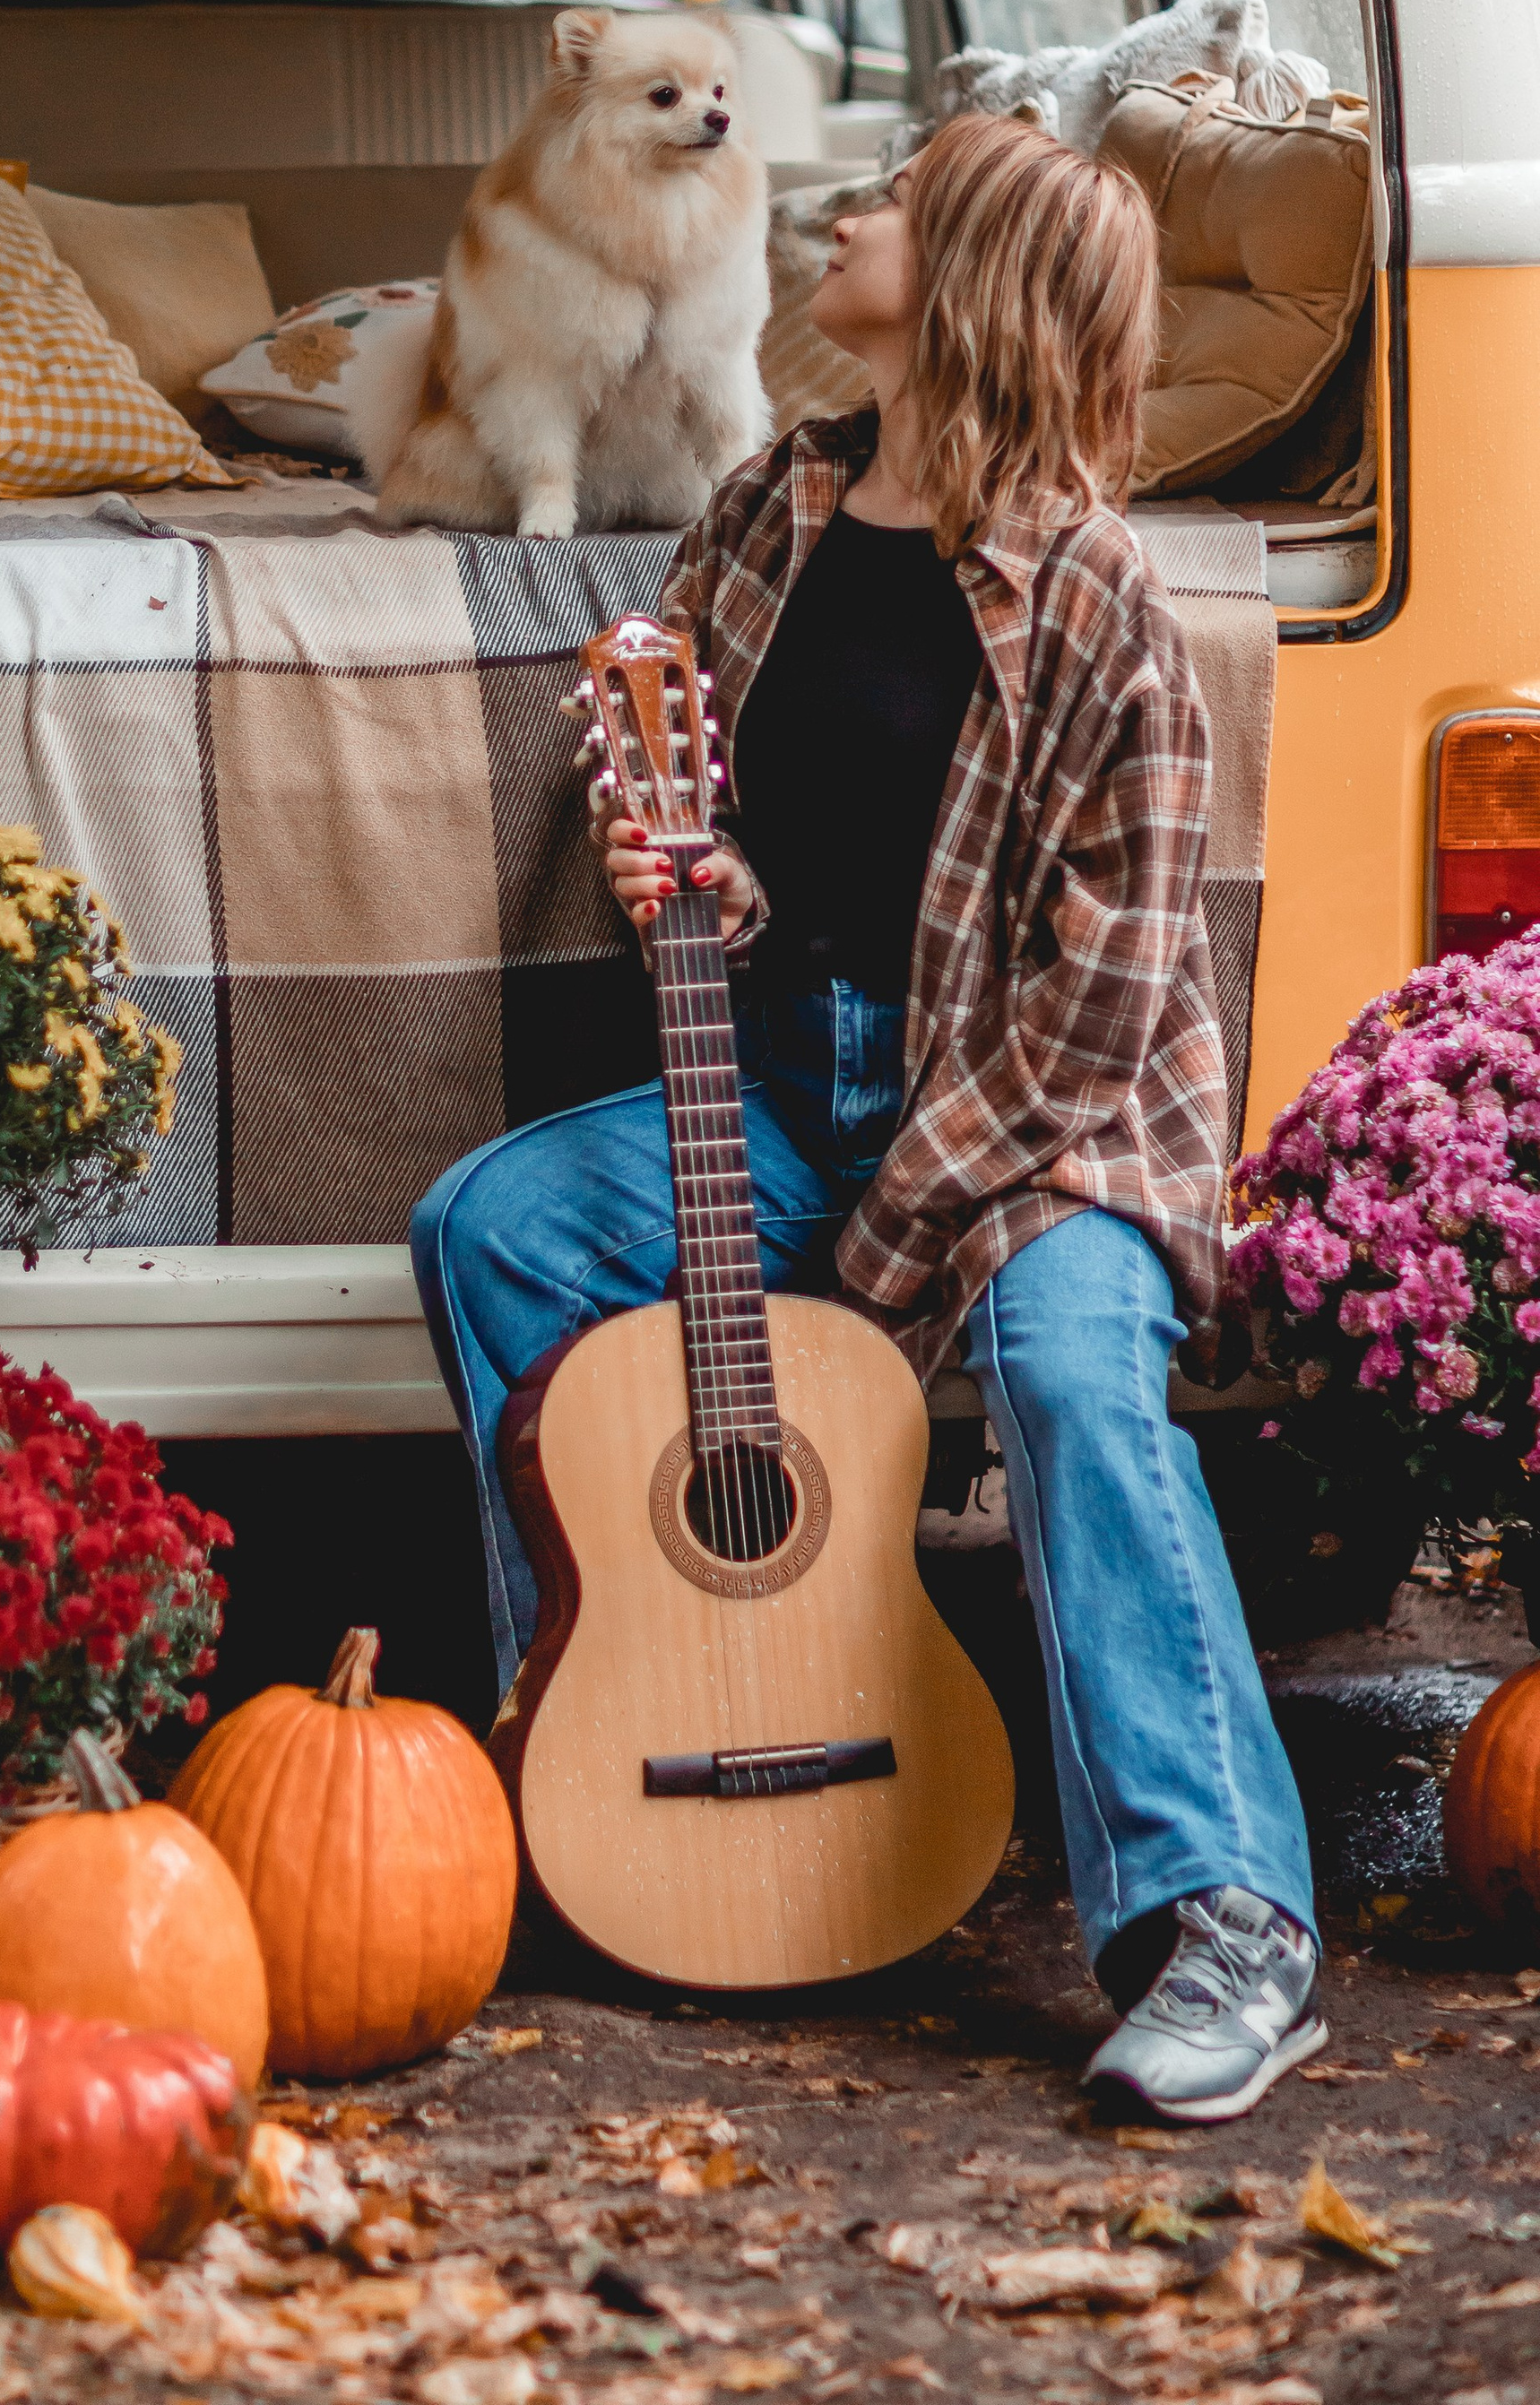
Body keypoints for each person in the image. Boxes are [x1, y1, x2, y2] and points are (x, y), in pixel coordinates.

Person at [411, 110, 1322, 2127]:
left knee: (1070, 1372)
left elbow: (1100, 1006)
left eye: (890, 201)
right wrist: (691, 873)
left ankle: (1225, 1917)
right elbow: (692, 781)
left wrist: (874, 1259)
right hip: (794, 1075)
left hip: (1037, 1125)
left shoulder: (1097, 606)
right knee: (491, 1229)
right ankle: (591, 1744)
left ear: (968, 280)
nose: (838, 214)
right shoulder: (773, 506)